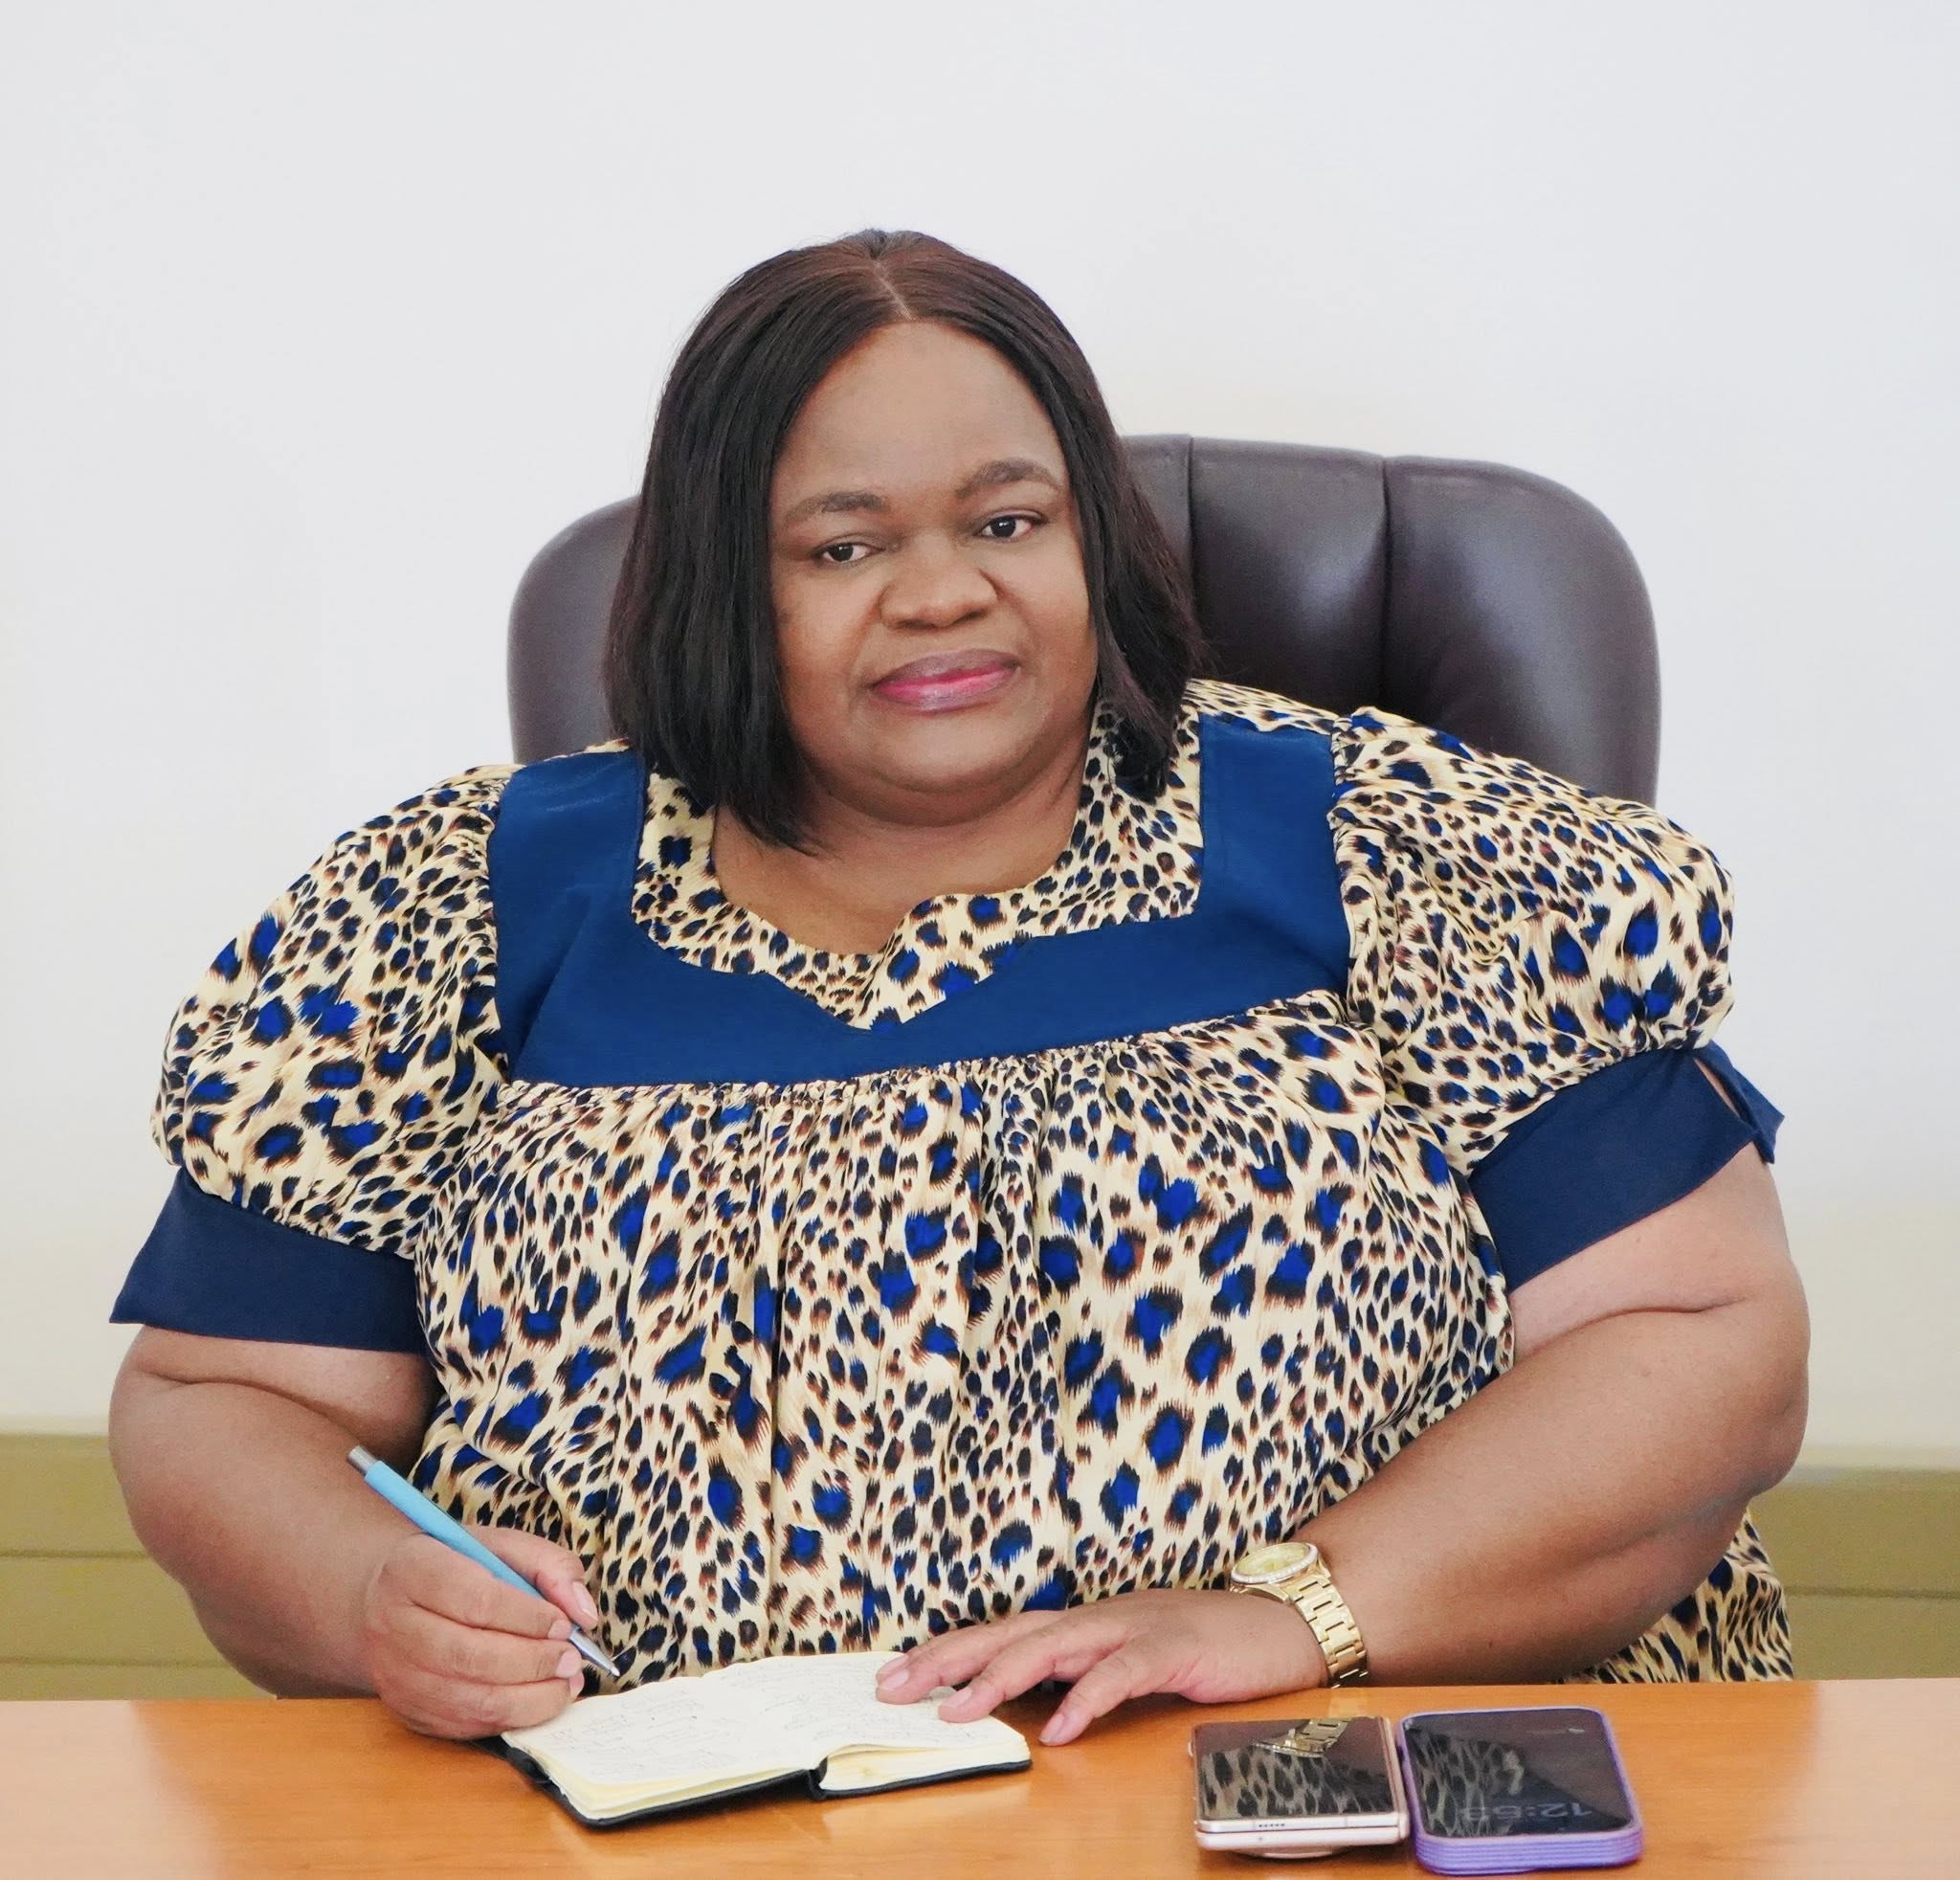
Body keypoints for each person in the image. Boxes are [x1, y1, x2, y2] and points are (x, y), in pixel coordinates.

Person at [107, 228, 1807, 1748]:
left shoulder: (1369, 849)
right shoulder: (464, 908)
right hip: (667, 1824)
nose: (943, 593)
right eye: (842, 548)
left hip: (1312, 1794)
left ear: (1093, 540)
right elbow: (221, 1399)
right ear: (722, 587)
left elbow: (1701, 1339)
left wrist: (1296, 1613)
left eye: (1008, 521)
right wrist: (367, 1593)